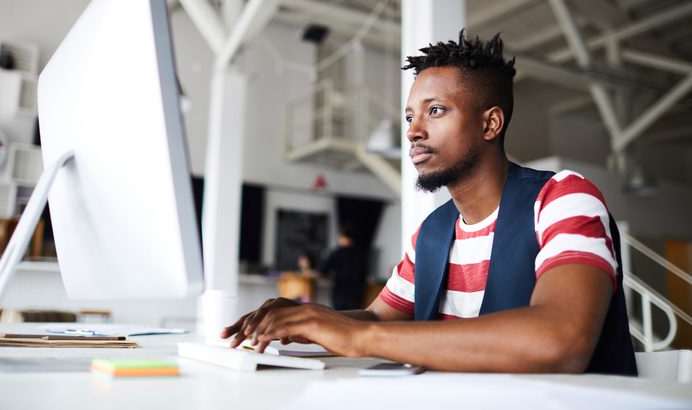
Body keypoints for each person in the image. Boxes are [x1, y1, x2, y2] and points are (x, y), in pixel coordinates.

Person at [222, 30, 637, 375]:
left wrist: (358, 337)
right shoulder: (433, 233)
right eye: (409, 117)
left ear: (490, 123)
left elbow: (561, 339)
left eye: (435, 110)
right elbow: (379, 320)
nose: (413, 132)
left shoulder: (561, 198)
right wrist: (306, 321)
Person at [318, 223, 368, 310]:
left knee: (339, 320)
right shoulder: (361, 254)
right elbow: (365, 273)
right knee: (354, 320)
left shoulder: (337, 253)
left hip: (340, 294)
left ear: (342, 236)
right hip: (356, 295)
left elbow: (322, 270)